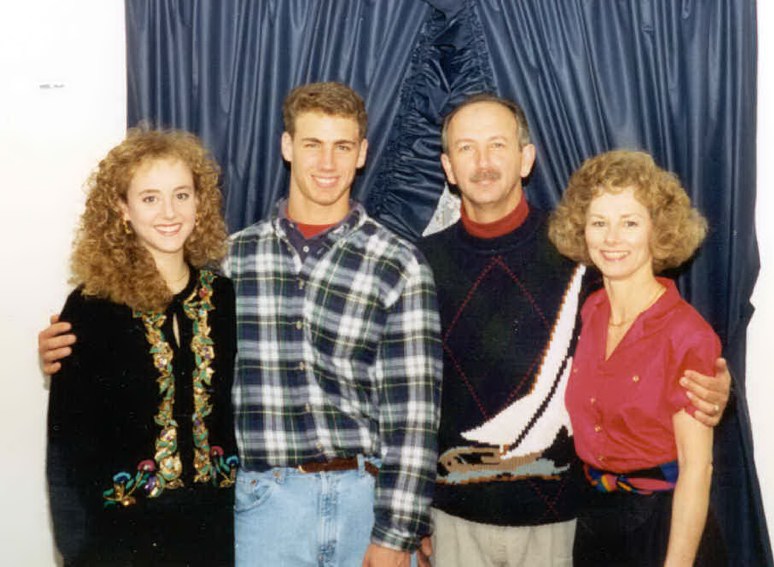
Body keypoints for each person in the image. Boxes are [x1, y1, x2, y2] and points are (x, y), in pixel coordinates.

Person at [41, 82, 442, 567]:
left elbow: (414, 416)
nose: (327, 162)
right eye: (312, 144)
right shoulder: (233, 263)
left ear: (362, 154)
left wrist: (398, 533)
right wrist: (65, 346)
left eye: (342, 146)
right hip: (264, 508)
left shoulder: (398, 264)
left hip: (363, 501)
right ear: (287, 146)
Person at [416, 94, 731, 567]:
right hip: (457, 519)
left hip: (564, 522)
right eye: (466, 148)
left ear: (526, 158)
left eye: (497, 145)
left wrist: (718, 390)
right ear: (448, 167)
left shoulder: (583, 259)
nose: (483, 163)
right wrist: (414, 514)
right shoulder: (419, 263)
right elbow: (406, 396)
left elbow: (664, 347)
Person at [46, 128, 238, 565]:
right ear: (122, 209)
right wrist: (77, 550)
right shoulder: (92, 306)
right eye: (150, 198)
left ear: (199, 203)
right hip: (118, 540)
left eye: (181, 195)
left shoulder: (223, 297)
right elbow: (67, 444)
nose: (169, 212)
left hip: (212, 532)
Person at [548, 150, 726, 565]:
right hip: (596, 521)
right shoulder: (592, 312)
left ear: (657, 231)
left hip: (664, 526)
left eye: (629, 223)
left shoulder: (687, 334)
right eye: (599, 222)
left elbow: (697, 470)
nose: (612, 238)